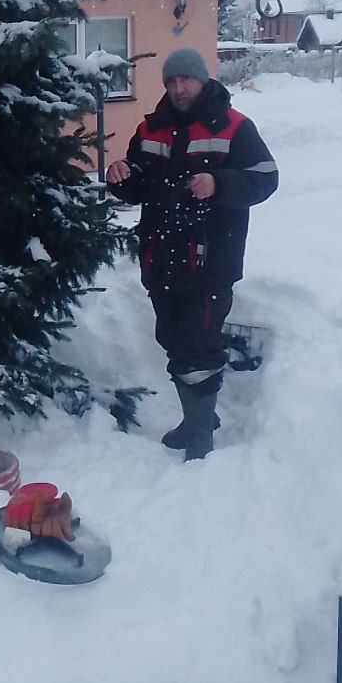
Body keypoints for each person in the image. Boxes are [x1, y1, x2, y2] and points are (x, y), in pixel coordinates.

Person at [106, 48, 278, 462]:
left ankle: (201, 432)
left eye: (186, 80)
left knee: (199, 345)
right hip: (161, 256)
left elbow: (266, 179)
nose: (179, 88)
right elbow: (139, 182)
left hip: (211, 262)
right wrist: (122, 176)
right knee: (172, 339)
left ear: (203, 81)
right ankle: (196, 417)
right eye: (171, 81)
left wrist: (219, 184)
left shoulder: (235, 126)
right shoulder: (151, 128)